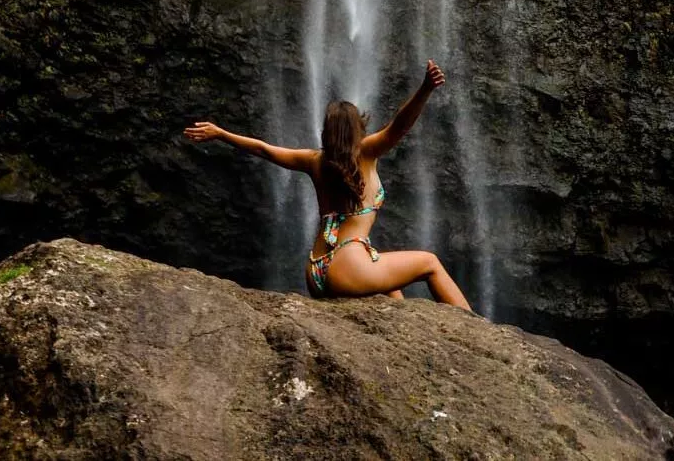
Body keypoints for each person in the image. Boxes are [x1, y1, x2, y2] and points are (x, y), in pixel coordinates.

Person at [184, 60, 471, 310]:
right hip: (349, 267)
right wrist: (425, 89)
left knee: (393, 289)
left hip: (317, 272)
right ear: (359, 128)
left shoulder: (313, 160)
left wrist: (221, 133)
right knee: (430, 263)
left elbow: (263, 149)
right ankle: (474, 332)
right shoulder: (367, 152)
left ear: (327, 133)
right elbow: (400, 125)